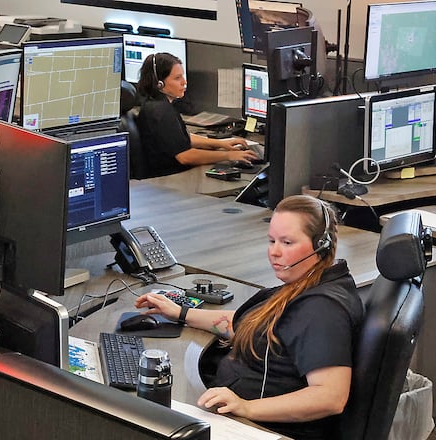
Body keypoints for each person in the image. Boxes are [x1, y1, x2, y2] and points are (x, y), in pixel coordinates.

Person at [134, 195, 364, 440]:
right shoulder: (304, 284)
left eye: (287, 242)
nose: (274, 252)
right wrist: (182, 313)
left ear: (321, 245)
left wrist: (245, 406)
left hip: (263, 429)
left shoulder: (322, 310)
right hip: (239, 414)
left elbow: (330, 397)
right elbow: (249, 324)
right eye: (272, 240)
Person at [136, 52, 259, 177]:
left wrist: (221, 143)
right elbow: (185, 156)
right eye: (177, 78)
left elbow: (180, 139)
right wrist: (229, 155)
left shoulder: (155, 104)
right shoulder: (161, 112)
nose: (184, 82)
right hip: (170, 179)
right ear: (159, 83)